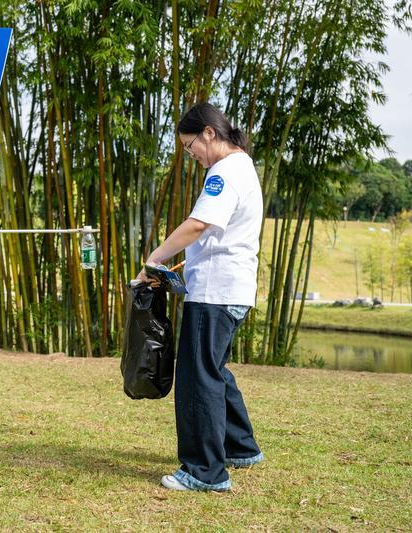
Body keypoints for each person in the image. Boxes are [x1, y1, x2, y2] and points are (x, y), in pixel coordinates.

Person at [138, 102, 264, 491]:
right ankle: (240, 447)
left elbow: (198, 225)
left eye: (191, 146)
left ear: (209, 132)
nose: (190, 155)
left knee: (197, 377)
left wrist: (155, 260)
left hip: (215, 289)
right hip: (231, 287)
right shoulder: (241, 166)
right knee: (214, 369)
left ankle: (203, 472)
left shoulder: (224, 172)